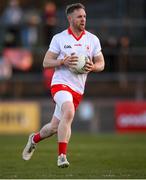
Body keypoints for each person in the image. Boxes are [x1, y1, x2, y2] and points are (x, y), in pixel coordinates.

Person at [22, 3, 105, 168]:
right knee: (69, 111)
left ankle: (34, 139)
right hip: (60, 84)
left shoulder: (92, 39)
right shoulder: (59, 38)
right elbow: (46, 62)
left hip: (77, 89)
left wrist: (94, 67)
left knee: (53, 127)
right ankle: (62, 156)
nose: (83, 19)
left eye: (85, 16)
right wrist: (62, 61)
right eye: (79, 16)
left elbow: (101, 63)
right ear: (70, 18)